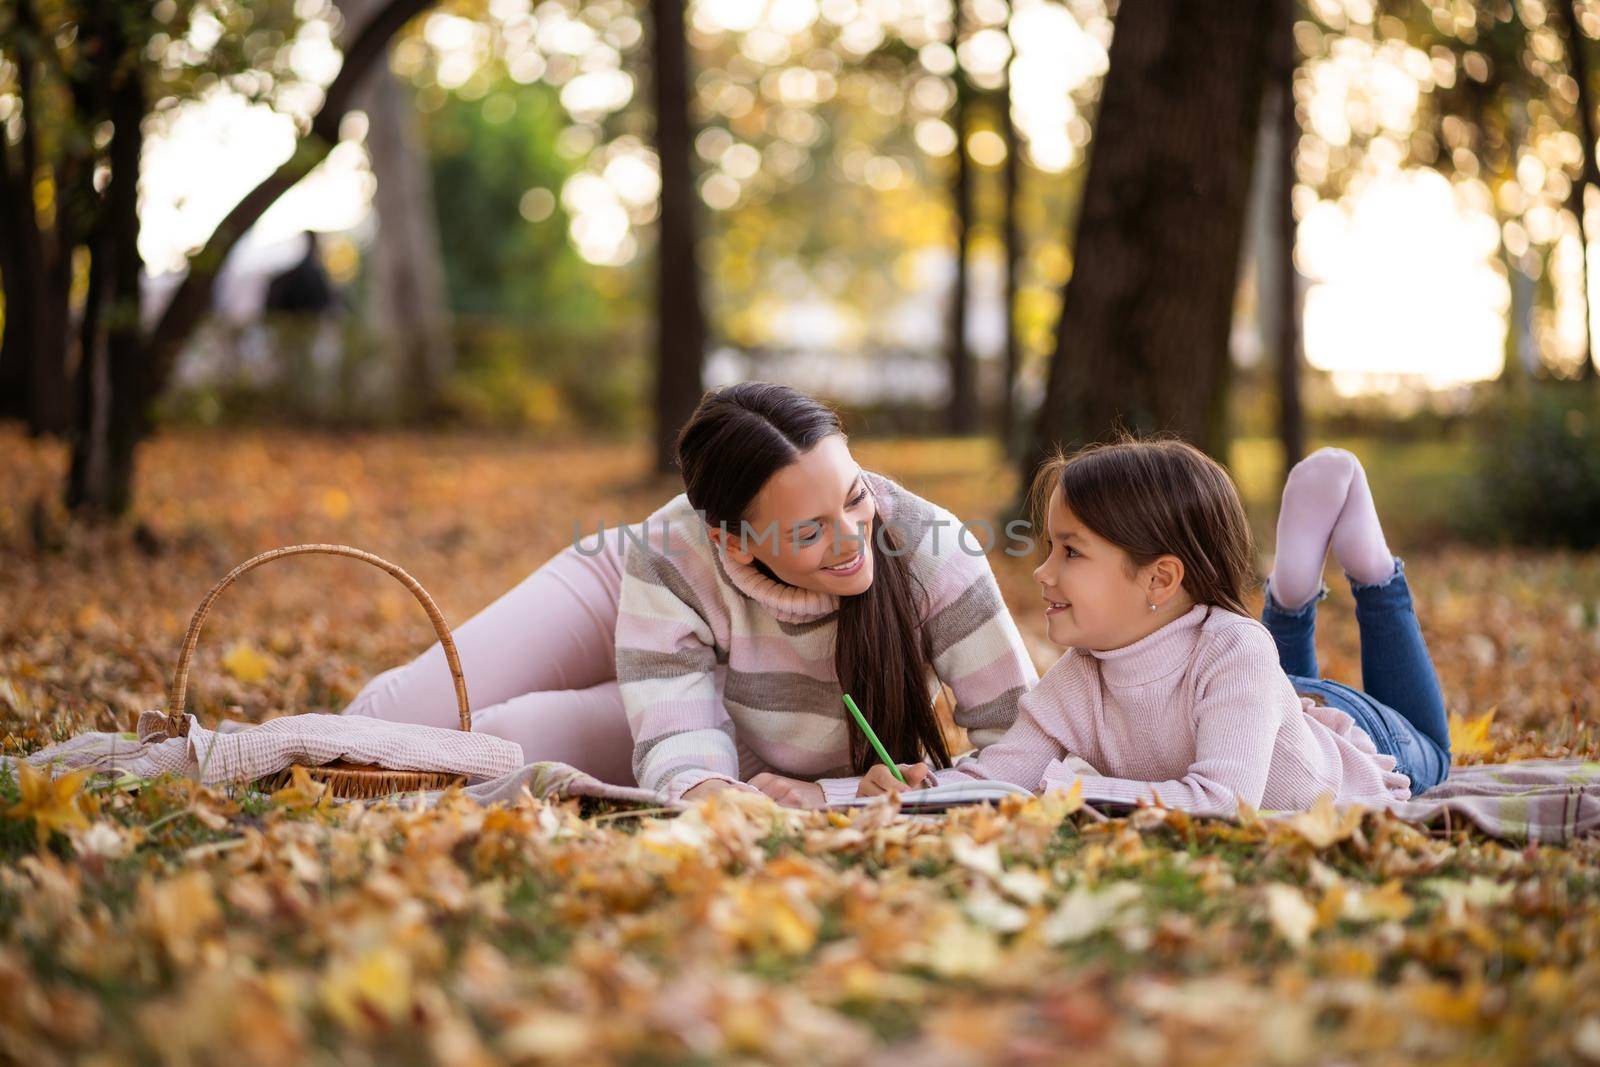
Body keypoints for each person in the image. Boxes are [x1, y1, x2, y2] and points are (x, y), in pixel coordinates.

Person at [342, 381, 1039, 804]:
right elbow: (685, 746)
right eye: (809, 531)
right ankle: (267, 757)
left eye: (856, 497)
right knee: (406, 715)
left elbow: (1020, 740)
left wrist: (812, 792)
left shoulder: (932, 553)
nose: (854, 538)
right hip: (646, 583)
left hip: (724, 704)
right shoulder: (679, 550)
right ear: (735, 540)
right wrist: (701, 782)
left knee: (498, 741)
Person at [855, 441, 1452, 815]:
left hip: (1369, 740)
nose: (1041, 571)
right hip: (1267, 702)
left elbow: (1225, 802)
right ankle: (1290, 596)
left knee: (1437, 750)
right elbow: (999, 776)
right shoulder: (1081, 674)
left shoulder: (1235, 648)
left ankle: (1367, 575)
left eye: (1070, 552)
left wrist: (1068, 791)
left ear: (1160, 581)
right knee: (1271, 664)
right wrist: (923, 788)